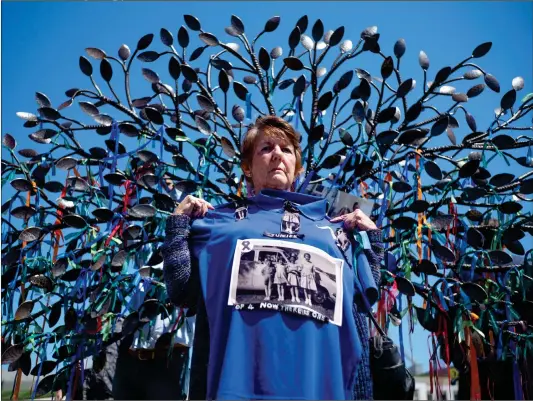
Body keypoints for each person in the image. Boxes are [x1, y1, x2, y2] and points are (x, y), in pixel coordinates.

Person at [163, 115, 383, 400]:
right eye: (266, 148)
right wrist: (179, 224)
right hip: (238, 390)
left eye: (286, 150)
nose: (277, 154)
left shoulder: (333, 230)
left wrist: (371, 238)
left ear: (297, 167)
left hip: (317, 390)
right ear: (247, 167)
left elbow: (365, 297)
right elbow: (182, 290)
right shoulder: (220, 224)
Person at [112, 264, 195, 400]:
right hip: (137, 360)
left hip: (169, 361)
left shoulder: (189, 279)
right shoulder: (145, 280)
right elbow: (134, 315)